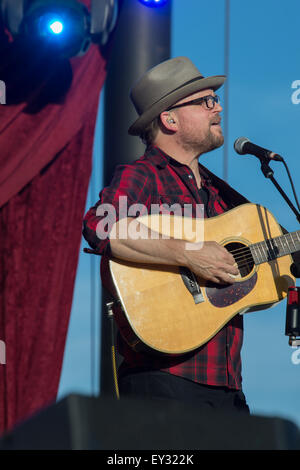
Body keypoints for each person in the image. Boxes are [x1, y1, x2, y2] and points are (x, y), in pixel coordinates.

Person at [83, 56, 250, 414]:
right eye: (205, 101)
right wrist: (189, 253)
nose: (218, 107)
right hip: (163, 380)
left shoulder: (222, 197)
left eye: (214, 100)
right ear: (169, 119)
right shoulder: (145, 175)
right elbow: (101, 225)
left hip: (228, 386)